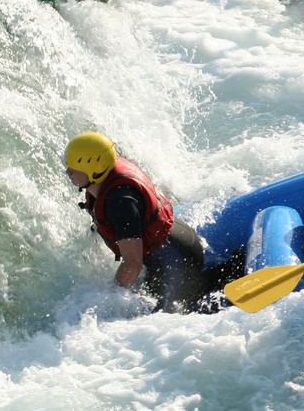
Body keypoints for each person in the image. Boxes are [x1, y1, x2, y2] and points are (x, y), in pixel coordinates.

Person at [63, 131, 225, 313]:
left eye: (73, 167)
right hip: (170, 245)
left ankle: (219, 283)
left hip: (177, 260)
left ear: (94, 169)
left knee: (163, 318)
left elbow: (133, 263)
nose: (67, 171)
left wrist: (108, 301)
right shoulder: (100, 183)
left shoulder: (120, 202)